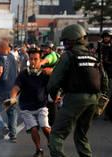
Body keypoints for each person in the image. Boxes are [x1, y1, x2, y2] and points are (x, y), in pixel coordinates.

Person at [47, 24, 109, 157]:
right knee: (82, 135)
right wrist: (100, 100)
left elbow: (53, 82)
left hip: (74, 98)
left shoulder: (68, 56)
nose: (65, 44)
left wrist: (54, 96)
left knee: (56, 135)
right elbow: (105, 81)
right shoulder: (93, 56)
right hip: (93, 100)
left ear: (73, 40)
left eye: (65, 41)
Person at [7, 48, 52, 157]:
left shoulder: (44, 73)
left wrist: (51, 73)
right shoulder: (23, 74)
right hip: (26, 107)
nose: (32, 62)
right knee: (34, 129)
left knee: (45, 126)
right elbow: (16, 88)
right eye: (31, 59)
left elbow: (57, 78)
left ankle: (52, 143)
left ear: (40, 60)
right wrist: (12, 98)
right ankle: (39, 150)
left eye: (35, 59)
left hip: (41, 105)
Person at [0, 40, 18, 143]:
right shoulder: (13, 58)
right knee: (12, 112)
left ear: (2, 48)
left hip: (1, 90)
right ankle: (13, 135)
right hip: (13, 90)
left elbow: (0, 70)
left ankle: (3, 127)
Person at [96, 30, 112, 121]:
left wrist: (106, 61)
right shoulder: (100, 46)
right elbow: (97, 57)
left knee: (108, 93)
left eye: (108, 37)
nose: (106, 38)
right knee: (99, 91)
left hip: (109, 73)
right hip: (100, 72)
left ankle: (108, 113)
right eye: (105, 36)